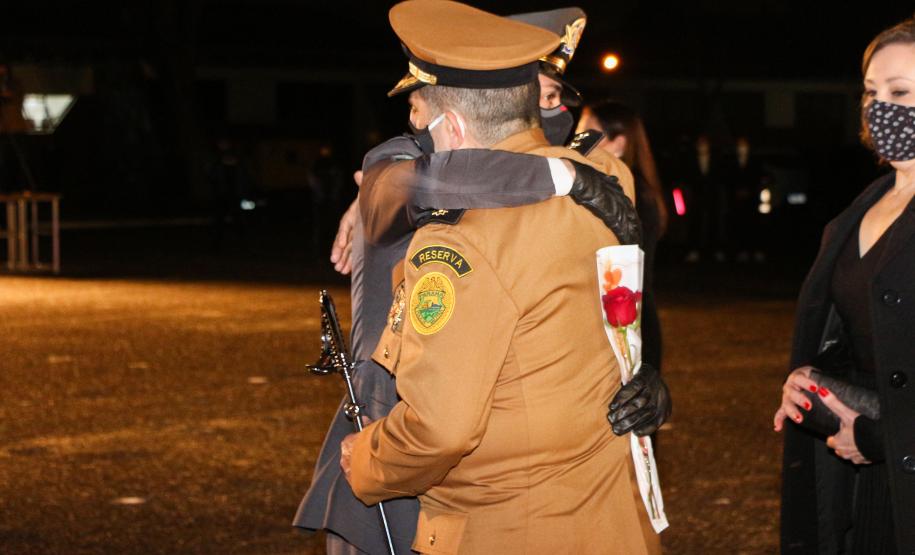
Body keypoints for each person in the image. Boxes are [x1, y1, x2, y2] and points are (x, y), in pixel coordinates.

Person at [340, 2, 663, 553]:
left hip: (508, 530)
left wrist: (367, 459)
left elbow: (443, 428)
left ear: (455, 124)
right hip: (611, 521)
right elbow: (397, 176)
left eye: (421, 113)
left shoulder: (459, 241)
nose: (417, 128)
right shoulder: (605, 182)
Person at [773, 18, 915, 554]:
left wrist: (883, 437)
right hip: (867, 479)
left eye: (900, 92)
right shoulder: (862, 208)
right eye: (871, 93)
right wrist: (818, 379)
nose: (880, 108)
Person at [577, 100, 668, 372]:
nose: (579, 142)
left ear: (618, 143)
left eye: (589, 134)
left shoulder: (629, 194)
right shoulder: (630, 189)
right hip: (629, 320)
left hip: (626, 324)